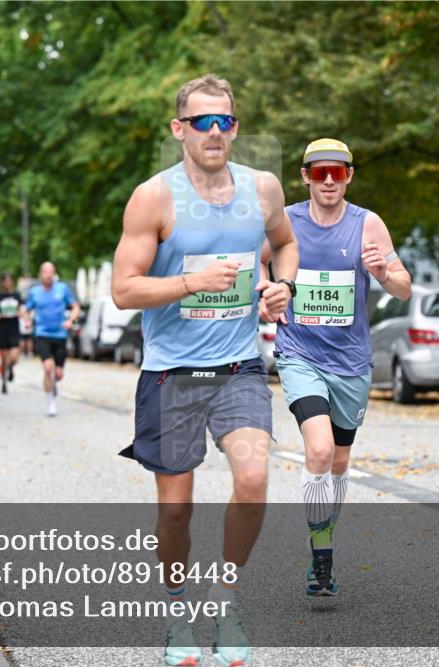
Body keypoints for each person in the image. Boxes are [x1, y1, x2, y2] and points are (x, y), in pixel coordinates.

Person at [111, 74, 298, 667]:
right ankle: (176, 612)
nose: (214, 132)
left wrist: (283, 285)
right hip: (172, 372)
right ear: (180, 129)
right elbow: (123, 290)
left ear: (235, 128)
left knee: (252, 478)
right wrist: (192, 281)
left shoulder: (263, 188)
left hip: (240, 365)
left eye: (224, 121)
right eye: (201, 122)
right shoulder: (153, 198)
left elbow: (285, 245)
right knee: (175, 511)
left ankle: (226, 602)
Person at [266, 138, 411, 597]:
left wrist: (384, 274)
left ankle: (322, 540)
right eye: (320, 172)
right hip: (299, 354)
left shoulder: (368, 225)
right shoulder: (285, 221)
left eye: (339, 172)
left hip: (350, 363)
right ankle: (321, 554)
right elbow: (256, 269)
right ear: (305, 176)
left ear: (350, 176)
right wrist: (269, 296)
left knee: (340, 462)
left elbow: (405, 287)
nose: (329, 180)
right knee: (321, 451)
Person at [23, 262, 80, 417]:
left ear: (54, 274)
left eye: (51, 272)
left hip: (60, 335)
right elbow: (25, 310)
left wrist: (71, 320)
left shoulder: (62, 289)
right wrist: (27, 320)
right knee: (48, 368)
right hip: (42, 334)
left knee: (59, 374)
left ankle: (55, 382)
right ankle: (50, 402)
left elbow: (75, 307)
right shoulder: (34, 292)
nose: (48, 275)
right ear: (40, 274)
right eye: (45, 272)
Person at [0, 272, 23, 395]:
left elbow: (22, 308)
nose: (7, 283)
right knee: (4, 357)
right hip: (2, 329)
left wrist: (21, 313)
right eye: (5, 281)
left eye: (9, 281)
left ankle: (11, 367)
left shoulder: (16, 295)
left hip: (14, 328)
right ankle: (3, 382)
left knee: (14, 356)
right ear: (2, 283)